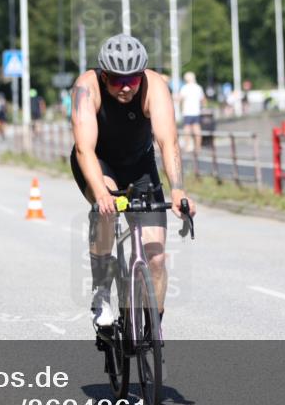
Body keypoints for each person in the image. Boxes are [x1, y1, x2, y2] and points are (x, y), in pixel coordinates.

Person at [70, 33, 196, 329]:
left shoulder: (155, 86)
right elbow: (83, 149)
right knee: (107, 209)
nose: (126, 87)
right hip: (99, 162)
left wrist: (177, 189)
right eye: (116, 80)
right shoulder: (85, 89)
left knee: (156, 257)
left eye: (133, 79)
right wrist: (101, 193)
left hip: (140, 165)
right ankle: (101, 290)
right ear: (103, 76)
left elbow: (168, 143)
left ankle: (152, 327)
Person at [177, 71, 207, 152]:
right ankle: (198, 147)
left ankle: (187, 146)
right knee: (197, 129)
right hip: (196, 111)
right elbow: (203, 100)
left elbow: (179, 99)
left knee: (187, 129)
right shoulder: (198, 87)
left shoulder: (185, 88)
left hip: (187, 111)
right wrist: (202, 107)